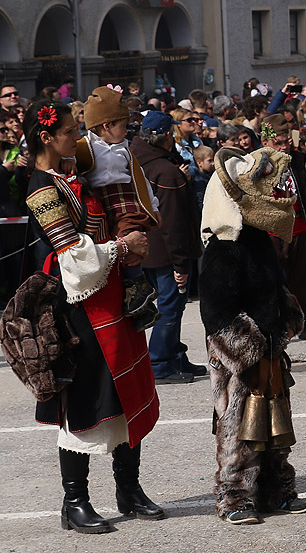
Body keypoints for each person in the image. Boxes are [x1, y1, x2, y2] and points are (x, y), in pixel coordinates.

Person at [22, 101, 163, 533]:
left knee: (126, 391)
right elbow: (74, 259)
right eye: (68, 131)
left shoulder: (75, 173)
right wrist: (123, 247)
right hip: (76, 308)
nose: (76, 137)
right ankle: (74, 500)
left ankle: (129, 488)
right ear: (46, 137)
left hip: (113, 298)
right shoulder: (42, 190)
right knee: (84, 397)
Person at [198, 146, 306, 524]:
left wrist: (286, 320)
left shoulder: (259, 240)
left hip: (269, 348)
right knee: (237, 429)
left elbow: (275, 288)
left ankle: (275, 490)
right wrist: (250, 351)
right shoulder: (223, 248)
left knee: (274, 426)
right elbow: (216, 314)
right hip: (238, 357)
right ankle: (234, 497)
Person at [75, 86, 161, 331]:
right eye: (123, 124)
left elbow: (141, 179)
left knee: (130, 236)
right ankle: (134, 291)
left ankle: (137, 290)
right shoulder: (85, 148)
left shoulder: (125, 149)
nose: (127, 130)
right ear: (106, 125)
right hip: (102, 204)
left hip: (127, 204)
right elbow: (72, 171)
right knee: (117, 246)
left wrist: (152, 206)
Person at [132, 111, 205, 384]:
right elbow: (173, 224)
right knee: (170, 306)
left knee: (170, 305)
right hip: (164, 252)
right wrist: (180, 265)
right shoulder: (165, 171)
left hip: (145, 249)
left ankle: (175, 356)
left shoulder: (136, 160)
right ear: (164, 137)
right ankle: (161, 363)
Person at [261, 115, 306, 341]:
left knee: (300, 279)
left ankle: (300, 319)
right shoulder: (256, 162)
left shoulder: (299, 160)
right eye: (279, 143)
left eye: (286, 142)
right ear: (266, 142)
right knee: (272, 279)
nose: (284, 147)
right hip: (271, 232)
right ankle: (275, 321)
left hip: (299, 228)